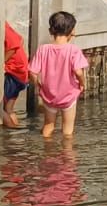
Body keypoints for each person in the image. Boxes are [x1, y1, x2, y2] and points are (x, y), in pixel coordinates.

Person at [28, 11, 88, 139]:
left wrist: (39, 84)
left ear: (51, 31)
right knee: (67, 129)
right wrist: (82, 83)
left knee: (48, 126)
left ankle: (47, 152)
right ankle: (67, 156)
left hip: (49, 94)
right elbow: (78, 71)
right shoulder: (73, 50)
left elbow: (32, 72)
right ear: (71, 31)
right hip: (68, 95)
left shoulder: (43, 49)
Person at [2, 22, 30, 130]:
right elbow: (20, 40)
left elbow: (14, 46)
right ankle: (15, 134)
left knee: (2, 109)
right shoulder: (6, 26)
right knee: (9, 108)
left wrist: (2, 62)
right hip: (20, 72)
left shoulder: (3, 28)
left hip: (14, 71)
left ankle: (12, 130)